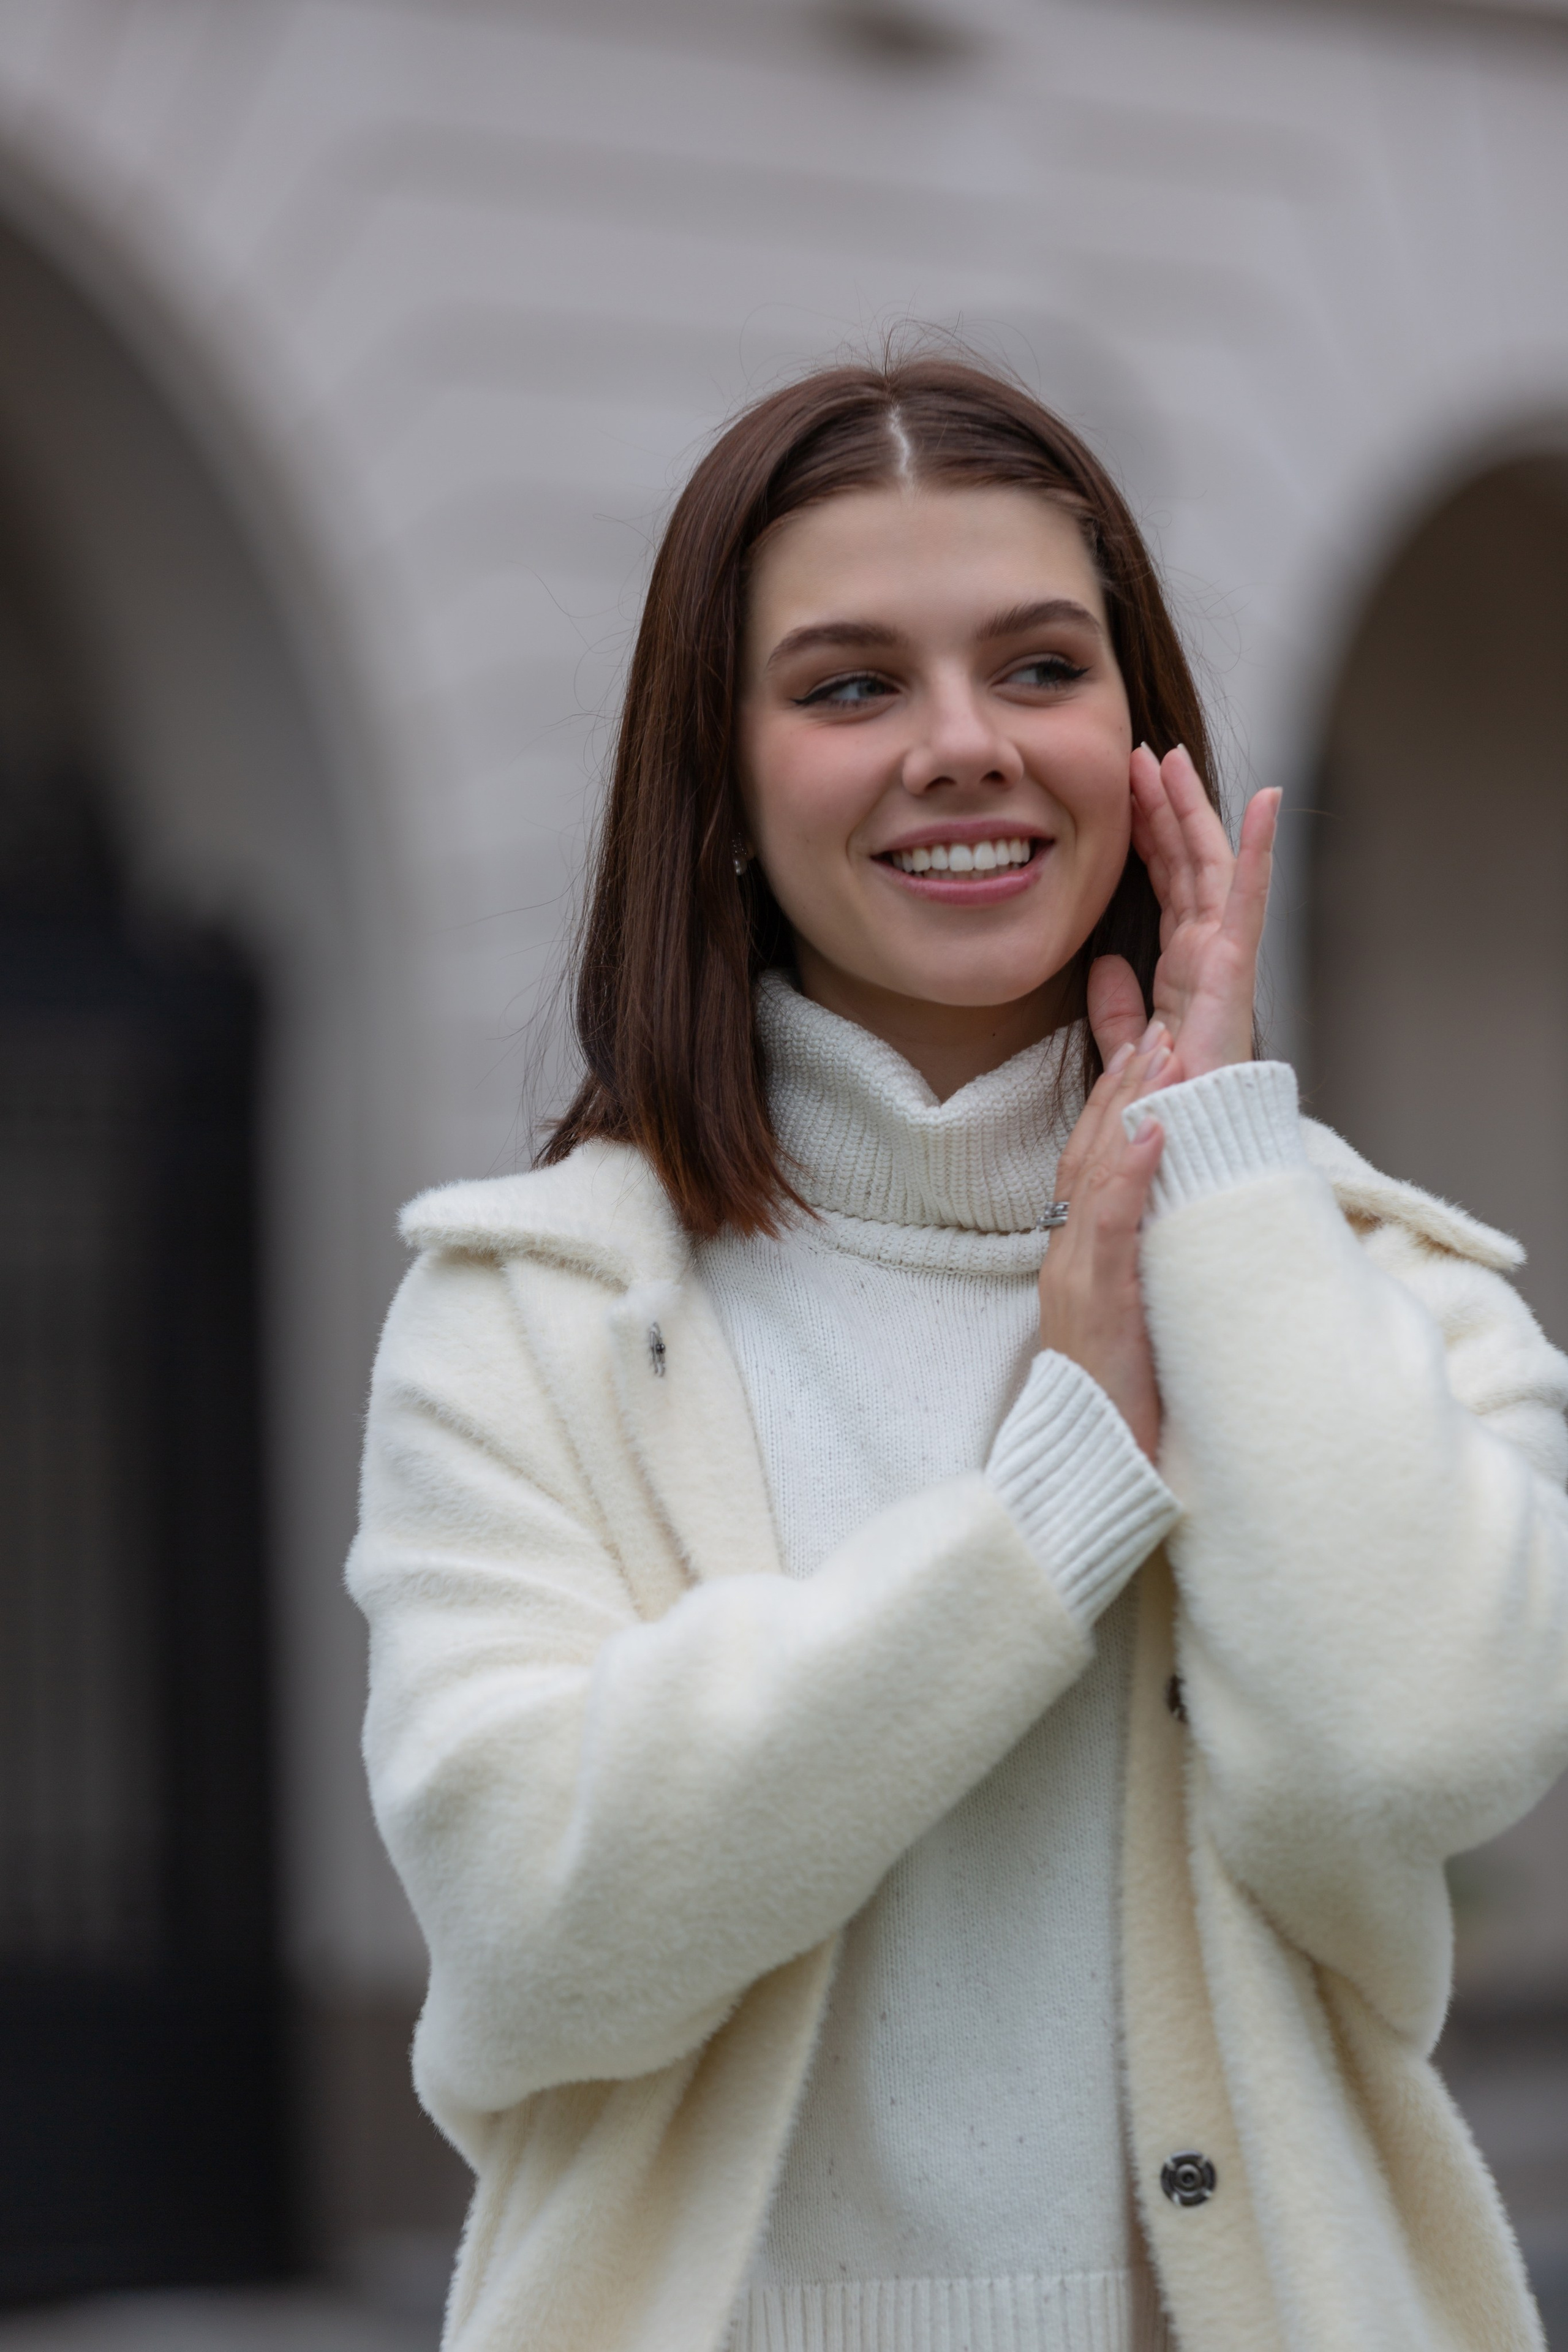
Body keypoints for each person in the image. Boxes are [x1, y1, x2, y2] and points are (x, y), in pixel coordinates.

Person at [347, 354, 1568, 2352]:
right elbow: (534, 1929)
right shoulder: (536, 1311)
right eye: (850, 687)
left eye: (1039, 668)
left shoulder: (1367, 1280)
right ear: (720, 779)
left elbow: (1423, 1741)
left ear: (1139, 734)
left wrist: (1222, 1166)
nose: (962, 746)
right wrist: (1054, 1491)